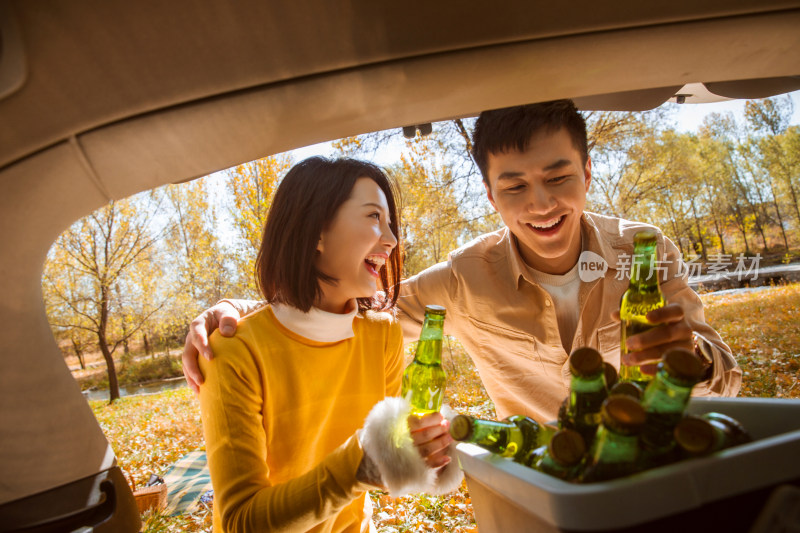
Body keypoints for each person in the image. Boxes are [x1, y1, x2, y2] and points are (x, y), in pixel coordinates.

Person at [184, 100, 741, 427]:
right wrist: (238, 309)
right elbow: (344, 310)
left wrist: (690, 356)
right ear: (490, 194)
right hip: (540, 481)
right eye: (515, 185)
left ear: (588, 172)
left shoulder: (646, 251)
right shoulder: (461, 278)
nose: (541, 204)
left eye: (558, 177)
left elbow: (728, 381)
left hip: (652, 464)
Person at [197, 157, 461, 533]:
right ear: (316, 232)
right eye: (373, 217)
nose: (391, 240)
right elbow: (242, 522)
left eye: (390, 223)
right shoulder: (233, 351)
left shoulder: (383, 335)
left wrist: (426, 449)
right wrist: (360, 464)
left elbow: (386, 474)